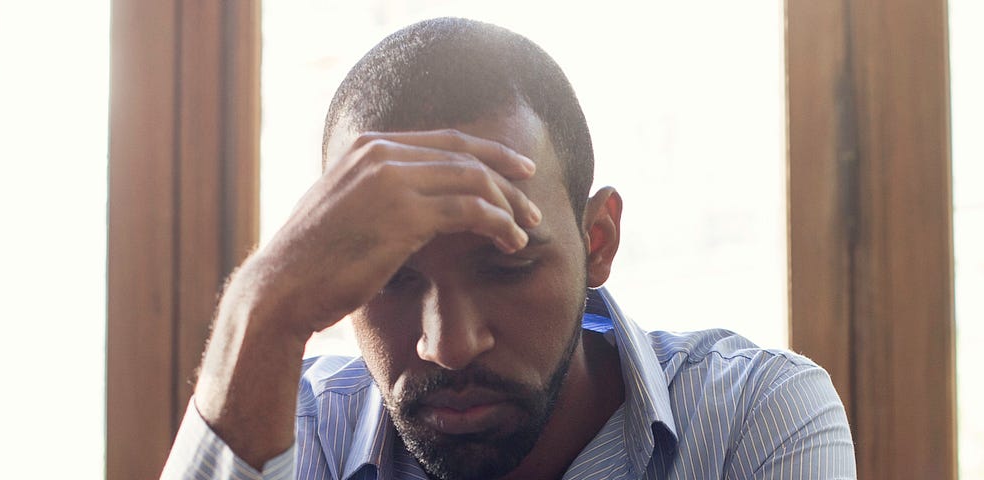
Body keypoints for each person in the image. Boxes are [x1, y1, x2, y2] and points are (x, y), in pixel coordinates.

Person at [161, 17, 855, 480]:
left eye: (506, 266)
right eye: (391, 280)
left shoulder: (750, 418)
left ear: (598, 241)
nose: (451, 345)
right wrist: (259, 309)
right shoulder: (295, 432)